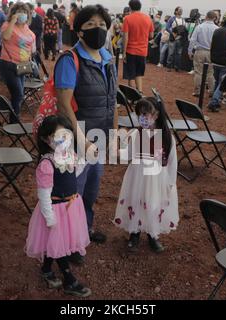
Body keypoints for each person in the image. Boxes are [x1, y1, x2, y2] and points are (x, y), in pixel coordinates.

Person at [54, 4, 118, 264]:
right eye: (91, 25)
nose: (98, 29)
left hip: (99, 136)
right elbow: (63, 103)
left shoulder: (108, 58)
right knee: (71, 193)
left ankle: (84, 230)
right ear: (79, 31)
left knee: (90, 191)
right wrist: (82, 140)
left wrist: (112, 133)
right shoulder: (70, 60)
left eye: (102, 24)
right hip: (75, 138)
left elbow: (113, 99)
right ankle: (67, 243)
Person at [25, 115, 91, 298]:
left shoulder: (69, 155)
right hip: (55, 210)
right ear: (47, 139)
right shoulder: (47, 164)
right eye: (59, 137)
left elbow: (75, 172)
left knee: (55, 243)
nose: (64, 140)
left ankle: (46, 268)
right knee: (59, 244)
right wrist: (49, 216)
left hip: (71, 207)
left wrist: (81, 160)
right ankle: (69, 280)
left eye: (67, 136)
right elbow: (44, 194)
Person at [114, 97, 178, 253]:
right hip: (136, 177)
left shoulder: (166, 137)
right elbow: (128, 154)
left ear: (156, 115)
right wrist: (116, 152)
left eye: (145, 114)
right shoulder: (136, 133)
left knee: (153, 204)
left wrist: (170, 183)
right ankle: (134, 234)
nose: (142, 118)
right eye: (139, 114)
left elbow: (171, 161)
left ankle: (152, 234)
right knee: (135, 202)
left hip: (156, 179)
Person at [0, 2, 36, 122]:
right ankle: (14, 120)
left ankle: (14, 117)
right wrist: (13, 21)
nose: (23, 14)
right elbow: (5, 37)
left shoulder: (26, 27)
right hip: (9, 64)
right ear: (13, 13)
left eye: (25, 12)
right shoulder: (7, 25)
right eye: (19, 12)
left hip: (23, 65)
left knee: (19, 93)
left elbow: (30, 42)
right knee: (19, 93)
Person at [122, 0, 154, 93]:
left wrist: (124, 52)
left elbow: (125, 37)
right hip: (143, 51)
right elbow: (151, 35)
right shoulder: (148, 18)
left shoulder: (127, 19)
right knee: (139, 74)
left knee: (131, 75)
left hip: (131, 51)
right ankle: (140, 92)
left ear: (130, 7)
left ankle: (132, 96)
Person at [208, 12, 226, 112]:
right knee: (222, 83)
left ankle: (215, 99)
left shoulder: (216, 30)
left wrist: (212, 57)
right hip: (225, 62)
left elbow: (212, 45)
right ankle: (214, 101)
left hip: (215, 60)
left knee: (218, 81)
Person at [188, 11, 218, 98]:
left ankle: (197, 91)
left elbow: (193, 40)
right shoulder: (217, 28)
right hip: (211, 52)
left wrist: (190, 51)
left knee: (198, 72)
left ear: (206, 17)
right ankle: (212, 91)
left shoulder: (199, 27)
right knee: (210, 73)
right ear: (214, 18)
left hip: (200, 51)